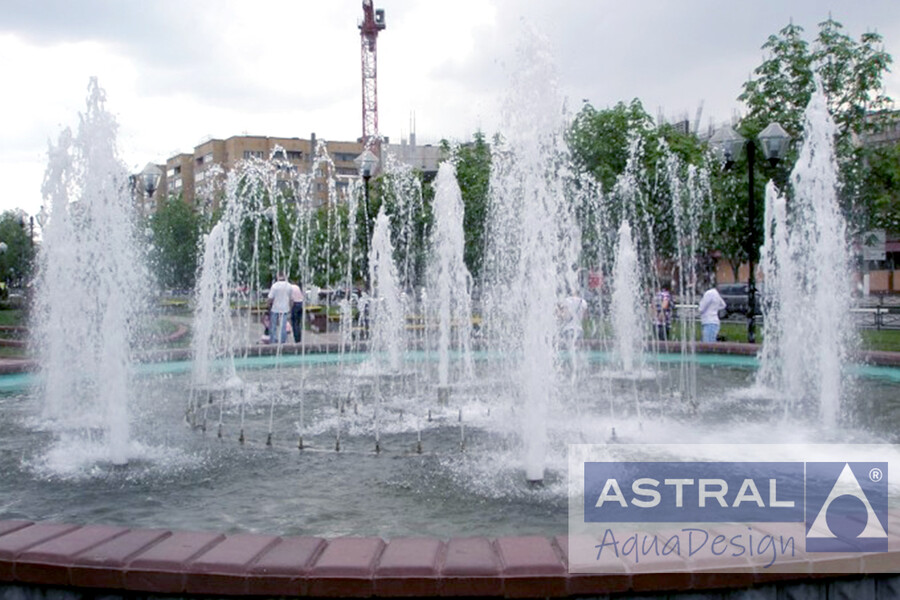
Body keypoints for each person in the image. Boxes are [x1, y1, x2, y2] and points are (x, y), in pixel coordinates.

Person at [267, 273, 293, 344]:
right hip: (285, 308)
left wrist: (268, 305)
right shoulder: (289, 286)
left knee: (273, 326)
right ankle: (282, 342)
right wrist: (290, 307)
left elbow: (270, 298)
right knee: (283, 326)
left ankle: (273, 341)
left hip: (275, 308)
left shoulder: (275, 286)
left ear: (277, 277)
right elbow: (291, 299)